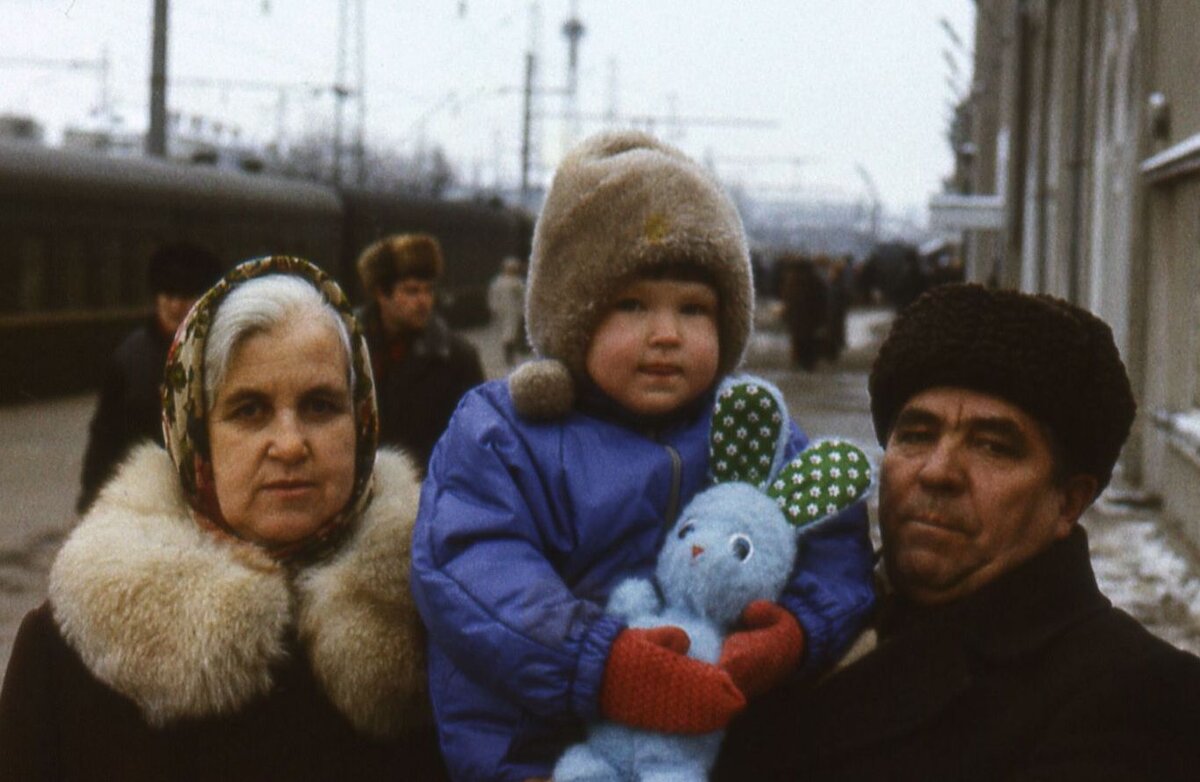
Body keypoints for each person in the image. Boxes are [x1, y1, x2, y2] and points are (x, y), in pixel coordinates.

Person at [409, 130, 876, 782]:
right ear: (573, 316)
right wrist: (604, 664)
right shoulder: (505, 432)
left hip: (712, 752)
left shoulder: (750, 428)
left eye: (694, 309)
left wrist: (793, 633)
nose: (666, 335)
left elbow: (836, 549)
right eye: (631, 305)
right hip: (538, 756)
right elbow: (473, 568)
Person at [715, 283, 1200, 780]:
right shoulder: (787, 619)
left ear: (1068, 501)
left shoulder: (1135, 693)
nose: (938, 471)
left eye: (992, 446)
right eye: (916, 435)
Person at [0, 256, 448, 781]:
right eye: (249, 410)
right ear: (196, 437)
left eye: (321, 405)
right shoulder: (69, 651)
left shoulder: (442, 623)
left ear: (362, 422)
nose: (289, 443)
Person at [76, 241, 223, 513]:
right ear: (157, 297)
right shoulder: (129, 358)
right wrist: (90, 499)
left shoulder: (220, 354)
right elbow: (105, 436)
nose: (176, 305)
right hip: (142, 494)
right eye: (168, 295)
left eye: (186, 295)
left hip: (210, 499)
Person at [355, 233, 485, 473]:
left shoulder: (457, 358)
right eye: (412, 291)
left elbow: (472, 441)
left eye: (429, 290)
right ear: (381, 294)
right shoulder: (346, 345)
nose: (424, 301)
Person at [488, 255, 527, 366]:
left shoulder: (517, 282)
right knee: (508, 333)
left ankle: (514, 352)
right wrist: (494, 308)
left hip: (515, 311)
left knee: (513, 333)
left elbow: (523, 297)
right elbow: (493, 296)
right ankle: (509, 355)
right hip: (504, 311)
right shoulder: (499, 282)